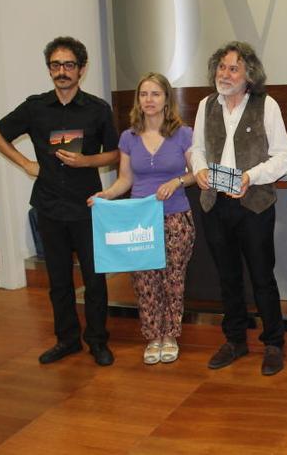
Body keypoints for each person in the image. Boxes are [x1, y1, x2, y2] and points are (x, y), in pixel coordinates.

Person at [0, 36, 119, 366]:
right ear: (49, 69)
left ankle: (98, 341)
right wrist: (26, 164)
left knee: (94, 279)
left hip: (87, 205)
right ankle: (67, 340)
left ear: (81, 69)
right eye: (56, 65)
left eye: (69, 65)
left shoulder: (98, 109)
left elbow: (117, 153)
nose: (62, 71)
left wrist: (87, 162)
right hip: (48, 206)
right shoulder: (35, 107)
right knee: (59, 280)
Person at [189, 41, 287, 376]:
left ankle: (274, 343)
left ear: (249, 73)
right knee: (228, 276)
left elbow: (284, 157)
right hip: (215, 203)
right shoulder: (207, 105)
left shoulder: (267, 104)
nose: (225, 73)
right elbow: (197, 149)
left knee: (263, 277)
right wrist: (199, 170)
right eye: (221, 67)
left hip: (254, 205)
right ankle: (235, 340)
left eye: (233, 68)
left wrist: (252, 176)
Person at [88, 72, 195, 365]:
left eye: (155, 94)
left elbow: (197, 173)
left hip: (175, 218)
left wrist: (177, 182)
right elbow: (124, 180)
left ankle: (170, 336)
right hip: (139, 222)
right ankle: (153, 337)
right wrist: (105, 195)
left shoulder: (184, 134)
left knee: (172, 280)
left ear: (166, 99)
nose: (149, 100)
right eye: (144, 94)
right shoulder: (128, 137)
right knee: (144, 282)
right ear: (138, 100)